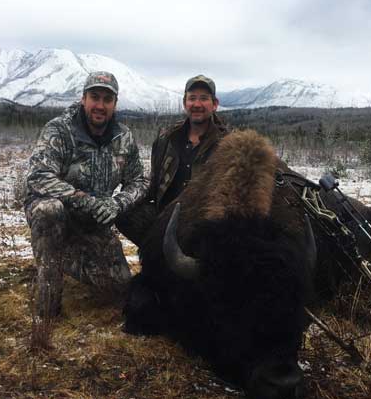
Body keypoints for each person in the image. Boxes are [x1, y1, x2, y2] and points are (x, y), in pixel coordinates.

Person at [25, 71, 147, 318]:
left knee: (119, 285)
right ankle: (48, 300)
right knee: (49, 210)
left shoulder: (123, 137)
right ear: (83, 98)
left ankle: (69, 256)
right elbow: (39, 177)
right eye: (94, 97)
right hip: (57, 215)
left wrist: (117, 204)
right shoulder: (59, 131)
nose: (100, 105)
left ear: (115, 104)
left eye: (107, 99)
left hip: (93, 225)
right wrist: (84, 200)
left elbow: (139, 181)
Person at [116, 74, 228, 246]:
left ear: (215, 104)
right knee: (124, 211)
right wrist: (125, 199)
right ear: (185, 103)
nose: (197, 104)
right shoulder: (166, 140)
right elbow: (153, 184)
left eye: (204, 99)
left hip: (206, 229)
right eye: (192, 98)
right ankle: (157, 256)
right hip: (164, 220)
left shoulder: (228, 146)